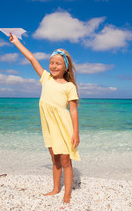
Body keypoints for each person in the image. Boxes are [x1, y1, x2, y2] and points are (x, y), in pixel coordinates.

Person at [9, 34, 80, 204]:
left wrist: (76, 133)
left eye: (58, 63)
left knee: (65, 160)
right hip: (48, 126)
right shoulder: (45, 78)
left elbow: (73, 111)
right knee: (54, 157)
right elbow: (32, 58)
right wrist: (16, 41)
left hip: (64, 127)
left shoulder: (69, 86)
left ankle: (67, 194)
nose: (54, 66)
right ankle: (56, 188)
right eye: (52, 63)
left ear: (65, 68)